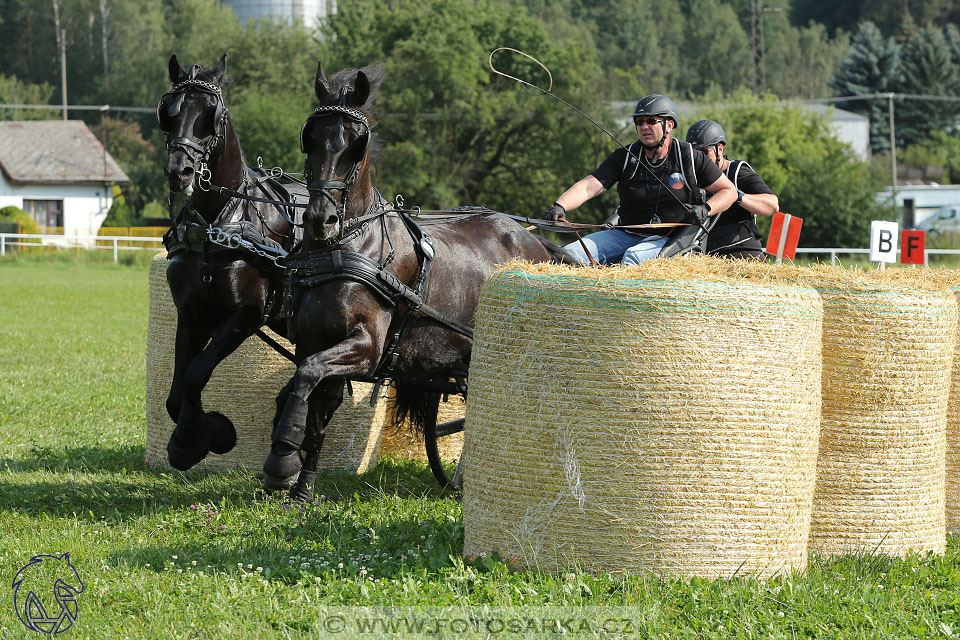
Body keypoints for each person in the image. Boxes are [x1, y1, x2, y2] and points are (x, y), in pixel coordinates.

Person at [542, 94, 738, 265]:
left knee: (633, 257)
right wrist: (560, 205)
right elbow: (589, 186)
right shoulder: (625, 156)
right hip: (625, 234)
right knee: (569, 254)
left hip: (672, 238)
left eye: (651, 121)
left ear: (669, 125)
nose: (644, 126)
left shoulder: (689, 156)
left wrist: (706, 209)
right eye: (639, 121)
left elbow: (729, 191)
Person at [685, 119, 779, 259]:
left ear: (720, 149)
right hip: (707, 259)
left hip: (743, 255)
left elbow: (772, 205)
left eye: (705, 152)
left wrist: (736, 195)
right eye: (696, 154)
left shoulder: (737, 172)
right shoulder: (691, 179)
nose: (701, 159)